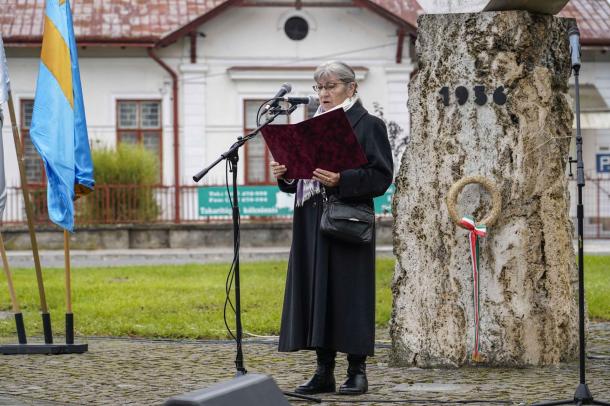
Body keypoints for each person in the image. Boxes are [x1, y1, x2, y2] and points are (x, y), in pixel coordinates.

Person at [270, 61, 394, 395]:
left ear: (351, 88)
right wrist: (285, 174)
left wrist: (343, 179)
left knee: (349, 292)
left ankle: (357, 371)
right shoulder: (309, 126)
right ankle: (323, 371)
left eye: (331, 86)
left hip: (347, 219)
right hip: (311, 219)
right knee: (316, 291)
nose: (324, 94)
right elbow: (300, 179)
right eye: (319, 88)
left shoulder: (369, 125)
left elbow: (382, 177)